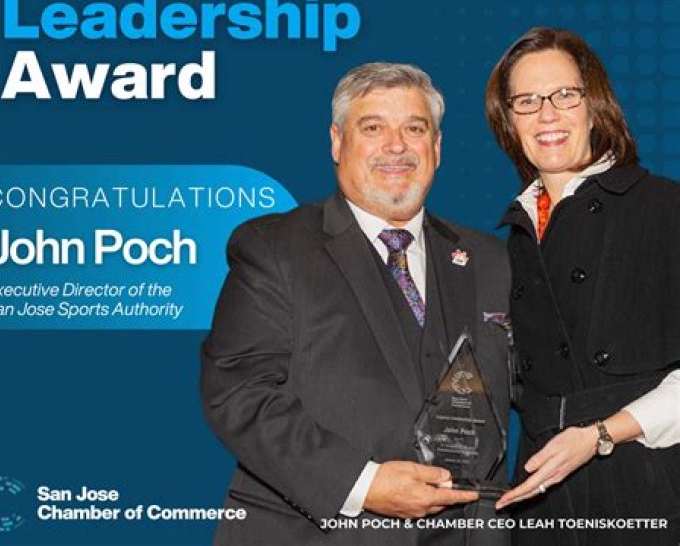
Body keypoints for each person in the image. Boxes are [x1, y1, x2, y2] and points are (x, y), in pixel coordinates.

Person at [202, 62, 512, 545]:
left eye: (414, 128)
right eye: (373, 128)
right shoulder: (273, 248)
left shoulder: (492, 260)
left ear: (437, 147)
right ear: (336, 142)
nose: (396, 146)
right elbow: (239, 393)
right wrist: (363, 484)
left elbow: (543, 382)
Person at [485, 27, 680, 545]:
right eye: (526, 101)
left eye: (564, 95)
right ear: (509, 123)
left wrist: (600, 435)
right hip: (541, 494)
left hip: (650, 488)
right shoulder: (509, 241)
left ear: (594, 107)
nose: (546, 114)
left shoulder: (666, 209)